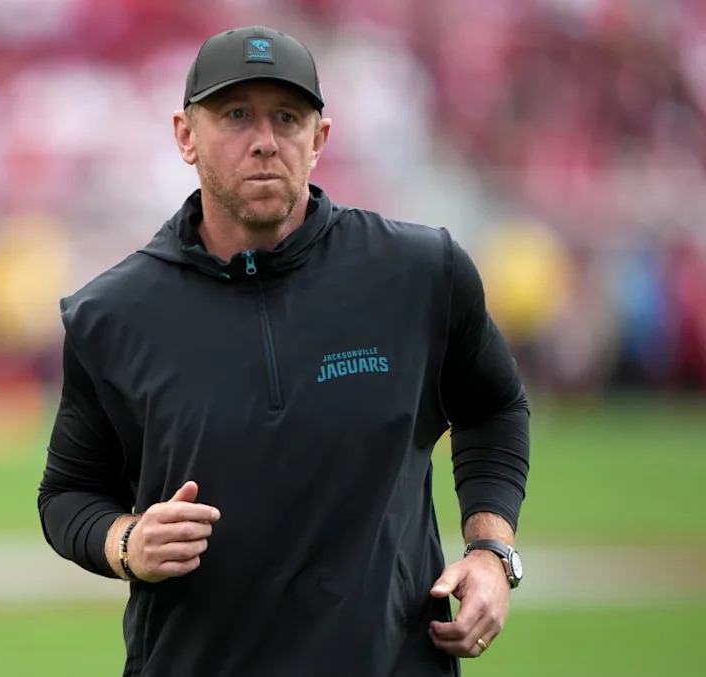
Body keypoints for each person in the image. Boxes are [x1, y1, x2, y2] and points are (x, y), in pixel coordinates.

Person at [38, 25, 530, 677]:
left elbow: (494, 406)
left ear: (319, 139)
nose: (265, 141)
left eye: (288, 118)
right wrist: (125, 541)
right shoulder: (113, 314)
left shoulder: (419, 274)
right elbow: (68, 495)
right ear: (185, 134)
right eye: (236, 115)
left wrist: (492, 552)